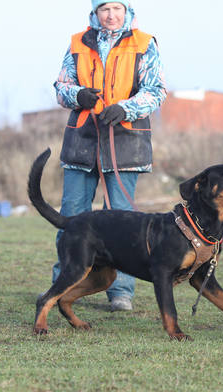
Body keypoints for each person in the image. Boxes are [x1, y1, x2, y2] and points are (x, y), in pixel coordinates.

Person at [53, 0, 166, 311]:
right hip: (82, 141)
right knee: (71, 215)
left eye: (117, 8)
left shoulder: (145, 43)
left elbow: (156, 90)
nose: (111, 15)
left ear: (127, 11)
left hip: (125, 141)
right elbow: (61, 86)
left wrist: (126, 108)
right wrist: (78, 94)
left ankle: (121, 292)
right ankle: (63, 284)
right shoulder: (78, 42)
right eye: (104, 8)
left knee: (123, 220)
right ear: (95, 12)